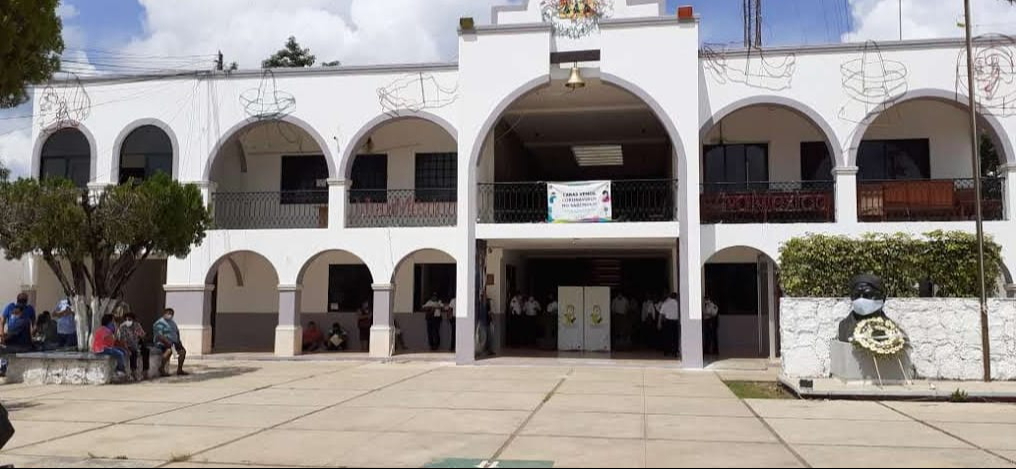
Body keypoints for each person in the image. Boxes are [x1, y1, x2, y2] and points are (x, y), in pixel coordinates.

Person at [153, 308, 188, 377]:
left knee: (182, 352)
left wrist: (178, 341)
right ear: (164, 313)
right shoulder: (159, 323)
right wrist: (169, 343)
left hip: (174, 342)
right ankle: (161, 368)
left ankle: (179, 370)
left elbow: (177, 332)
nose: (170, 315)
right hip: (163, 343)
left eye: (171, 314)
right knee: (169, 350)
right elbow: (159, 336)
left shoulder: (172, 322)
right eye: (168, 313)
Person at [116, 312, 150, 381]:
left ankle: (145, 371)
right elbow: (122, 340)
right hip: (127, 345)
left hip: (136, 344)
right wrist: (127, 348)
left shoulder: (137, 325)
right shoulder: (122, 327)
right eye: (126, 319)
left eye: (130, 319)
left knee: (146, 351)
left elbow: (143, 335)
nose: (128, 321)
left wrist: (141, 335)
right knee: (133, 352)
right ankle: (133, 371)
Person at [657, 292, 681, 358]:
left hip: (668, 322)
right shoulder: (678, 304)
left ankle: (666, 351)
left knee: (667, 337)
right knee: (675, 338)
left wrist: (659, 323)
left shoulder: (665, 303)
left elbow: (661, 314)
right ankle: (675, 352)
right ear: (676, 297)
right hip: (675, 322)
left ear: (670, 297)